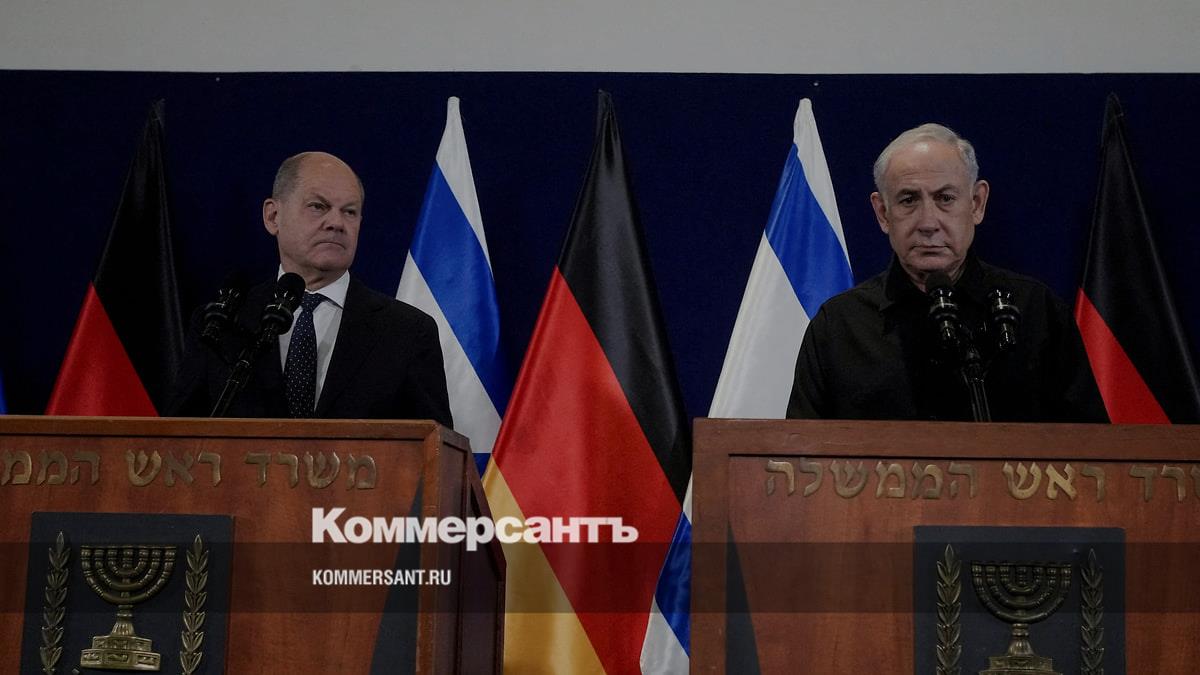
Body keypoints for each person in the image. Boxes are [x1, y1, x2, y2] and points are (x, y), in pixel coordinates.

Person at [787, 124, 1107, 422]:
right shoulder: (839, 327)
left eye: (945, 198)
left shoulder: (1036, 312)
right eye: (908, 200)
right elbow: (800, 453)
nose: (928, 223)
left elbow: (1090, 449)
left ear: (977, 203)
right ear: (883, 213)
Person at [168, 151, 453, 425]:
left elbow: (433, 448)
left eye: (349, 212)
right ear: (273, 216)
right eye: (318, 206)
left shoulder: (408, 332)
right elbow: (177, 439)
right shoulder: (220, 324)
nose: (336, 223)